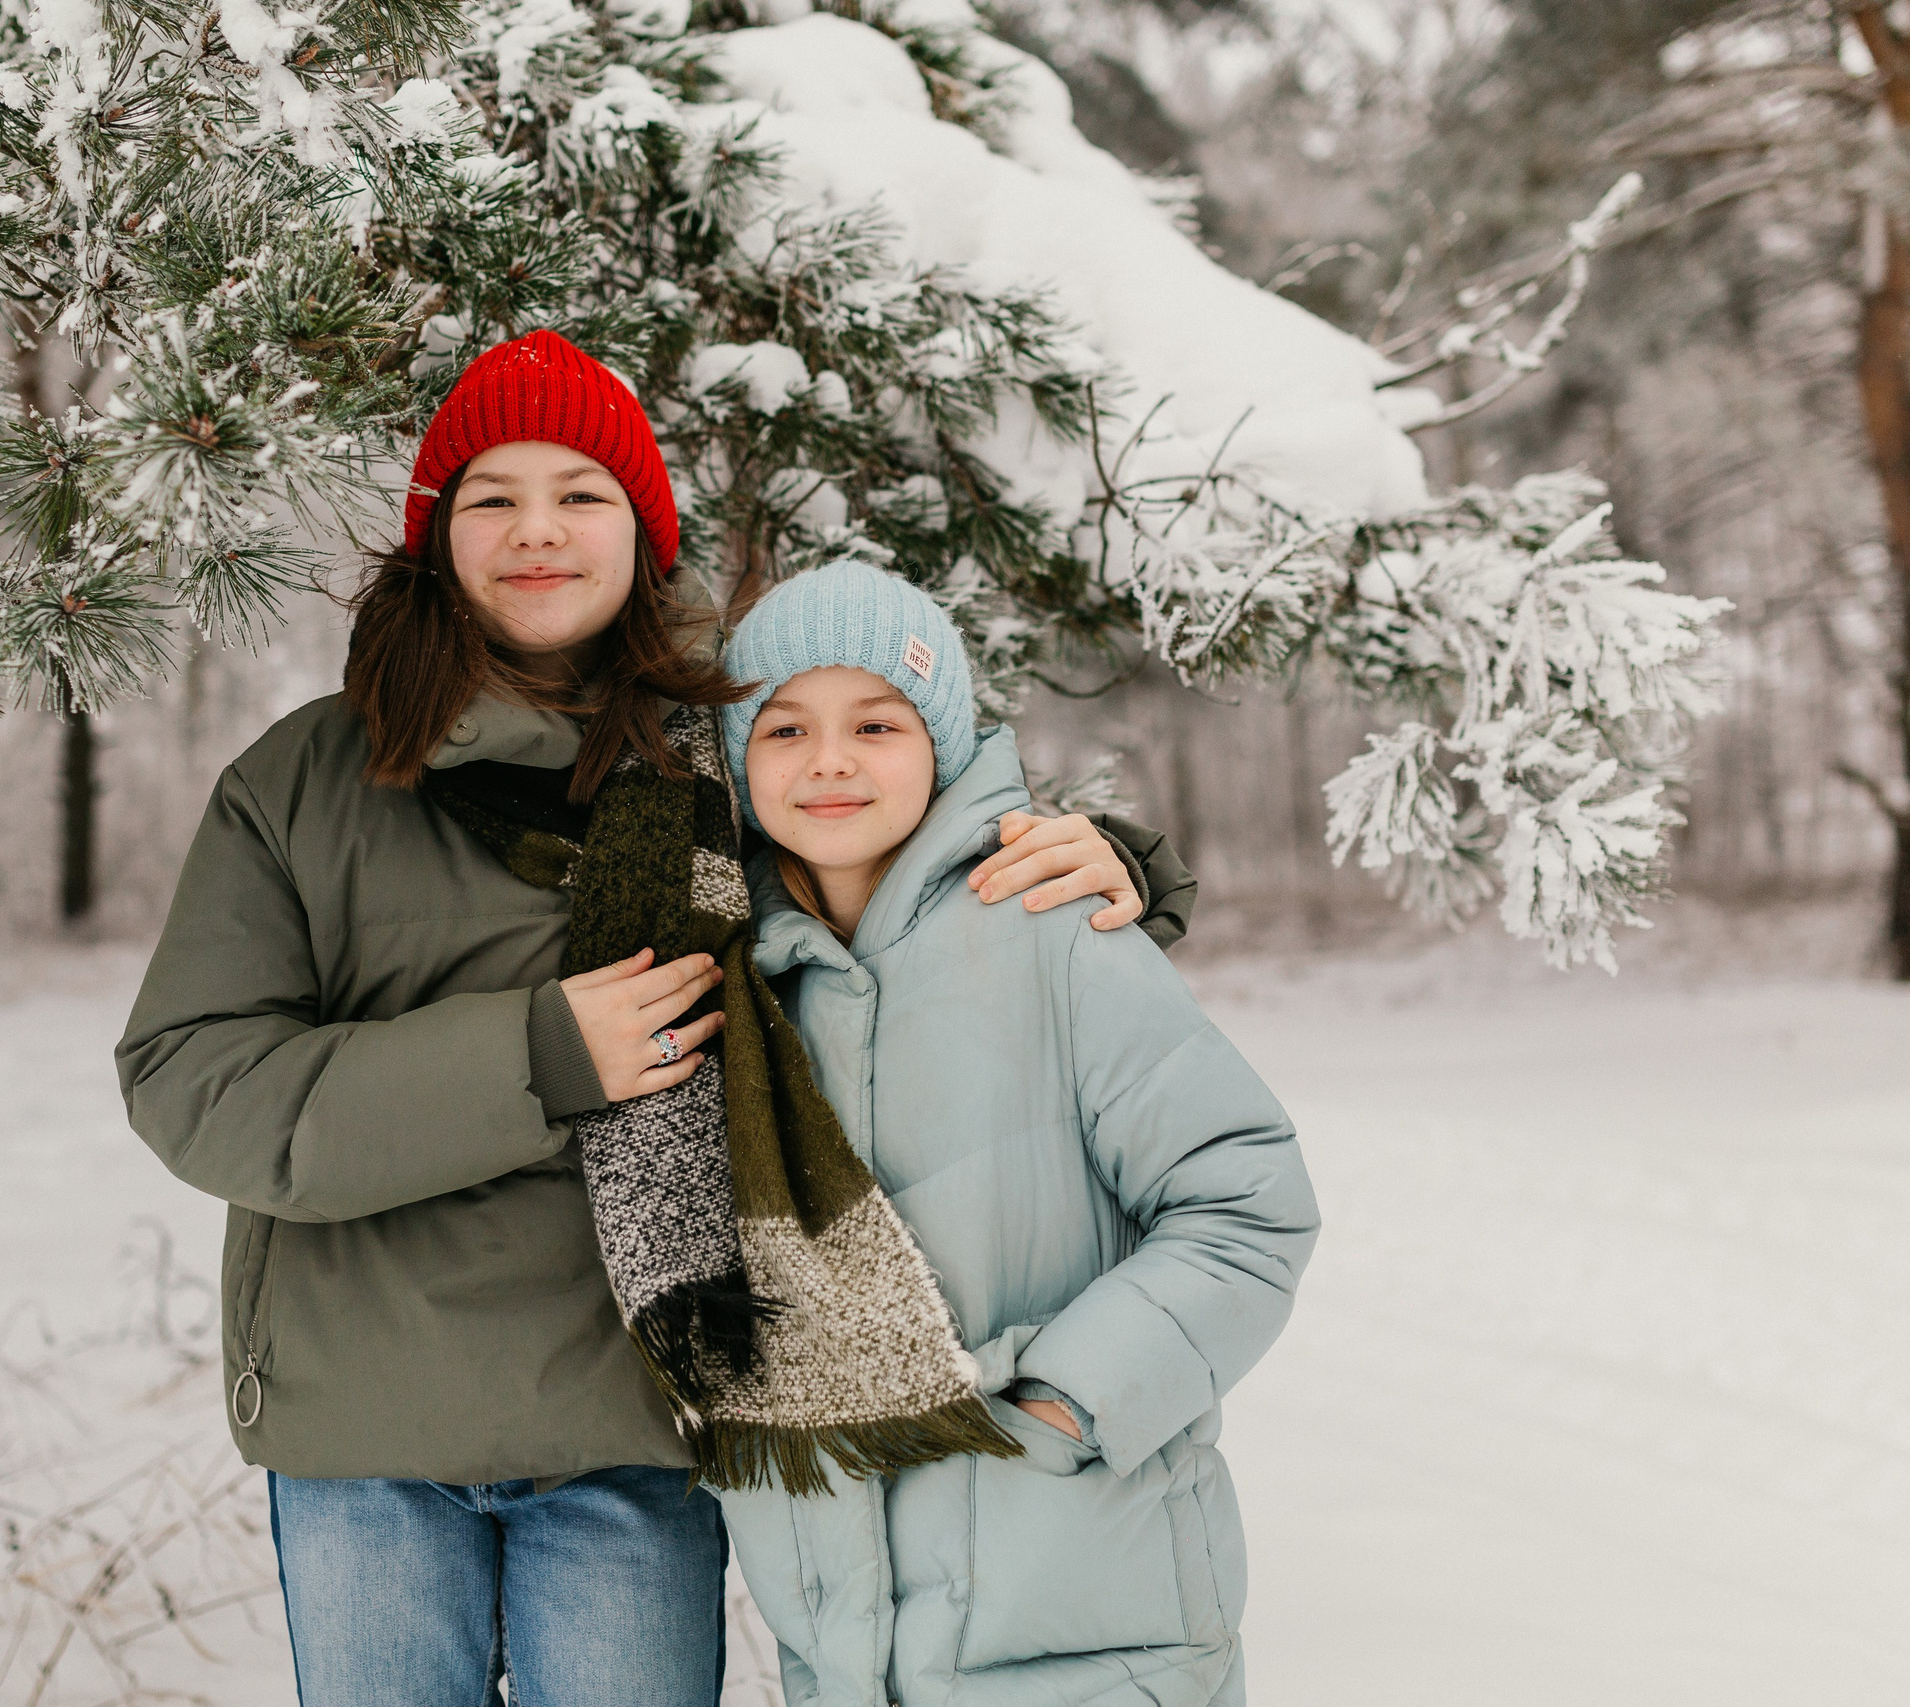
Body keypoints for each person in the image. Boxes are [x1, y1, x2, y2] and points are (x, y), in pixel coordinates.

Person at [113, 331, 1183, 1707]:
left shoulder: (718, 766)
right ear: (433, 537)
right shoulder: (308, 780)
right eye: (491, 496)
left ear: (643, 532)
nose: (538, 530)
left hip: (639, 1421)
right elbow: (195, 1080)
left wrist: (1120, 864)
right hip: (364, 1431)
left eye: (583, 492)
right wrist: (536, 1057)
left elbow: (911, 874)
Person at [711, 560, 1320, 1707]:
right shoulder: (734, 992)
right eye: (783, 726)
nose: (829, 758)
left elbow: (1247, 1205)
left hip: (1090, 1623)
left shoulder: (1054, 928)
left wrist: (1064, 1401)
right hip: (845, 1655)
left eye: (875, 722)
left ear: (940, 741)